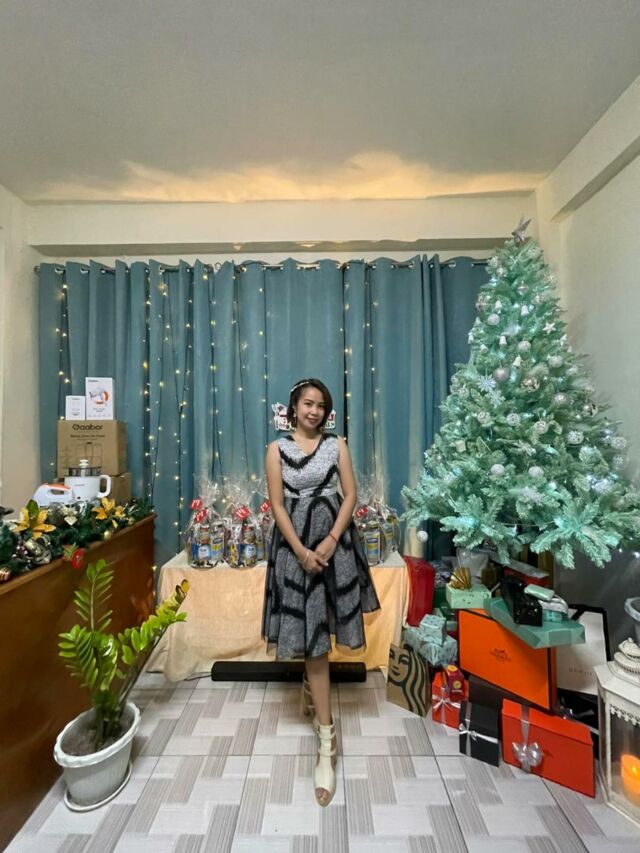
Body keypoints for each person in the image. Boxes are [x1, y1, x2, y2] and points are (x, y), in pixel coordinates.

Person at [262, 378, 380, 806]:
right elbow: (277, 505)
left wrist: (330, 541)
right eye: (308, 403)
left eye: (321, 406)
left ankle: (319, 713)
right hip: (295, 548)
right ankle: (326, 740)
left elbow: (351, 496)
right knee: (312, 638)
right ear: (293, 407)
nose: (314, 411)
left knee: (326, 625)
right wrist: (300, 551)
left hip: (335, 546)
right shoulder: (276, 449)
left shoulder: (337, 445)